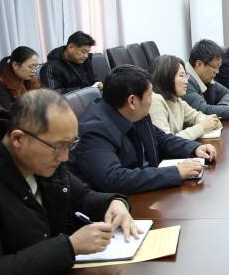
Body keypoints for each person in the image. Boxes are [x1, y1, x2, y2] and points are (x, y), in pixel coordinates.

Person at [0, 89, 140, 275]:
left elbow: (82, 196)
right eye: (58, 147)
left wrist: (114, 203)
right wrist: (70, 247)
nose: (64, 157)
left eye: (70, 145)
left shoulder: (42, 157)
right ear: (18, 139)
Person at [69, 65, 217, 194]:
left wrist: (194, 148)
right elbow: (113, 179)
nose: (153, 99)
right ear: (132, 101)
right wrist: (175, 172)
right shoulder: (95, 129)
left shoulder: (136, 113)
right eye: (150, 95)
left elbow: (160, 138)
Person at [149, 55, 221, 141]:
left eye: (186, 76)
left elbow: (195, 116)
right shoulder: (155, 100)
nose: (186, 81)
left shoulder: (177, 100)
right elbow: (166, 142)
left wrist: (210, 121)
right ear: (166, 77)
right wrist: (201, 127)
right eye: (181, 75)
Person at [0, 46, 41, 111]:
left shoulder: (29, 80)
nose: (34, 70)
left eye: (35, 66)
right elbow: (10, 113)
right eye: (31, 66)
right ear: (15, 65)